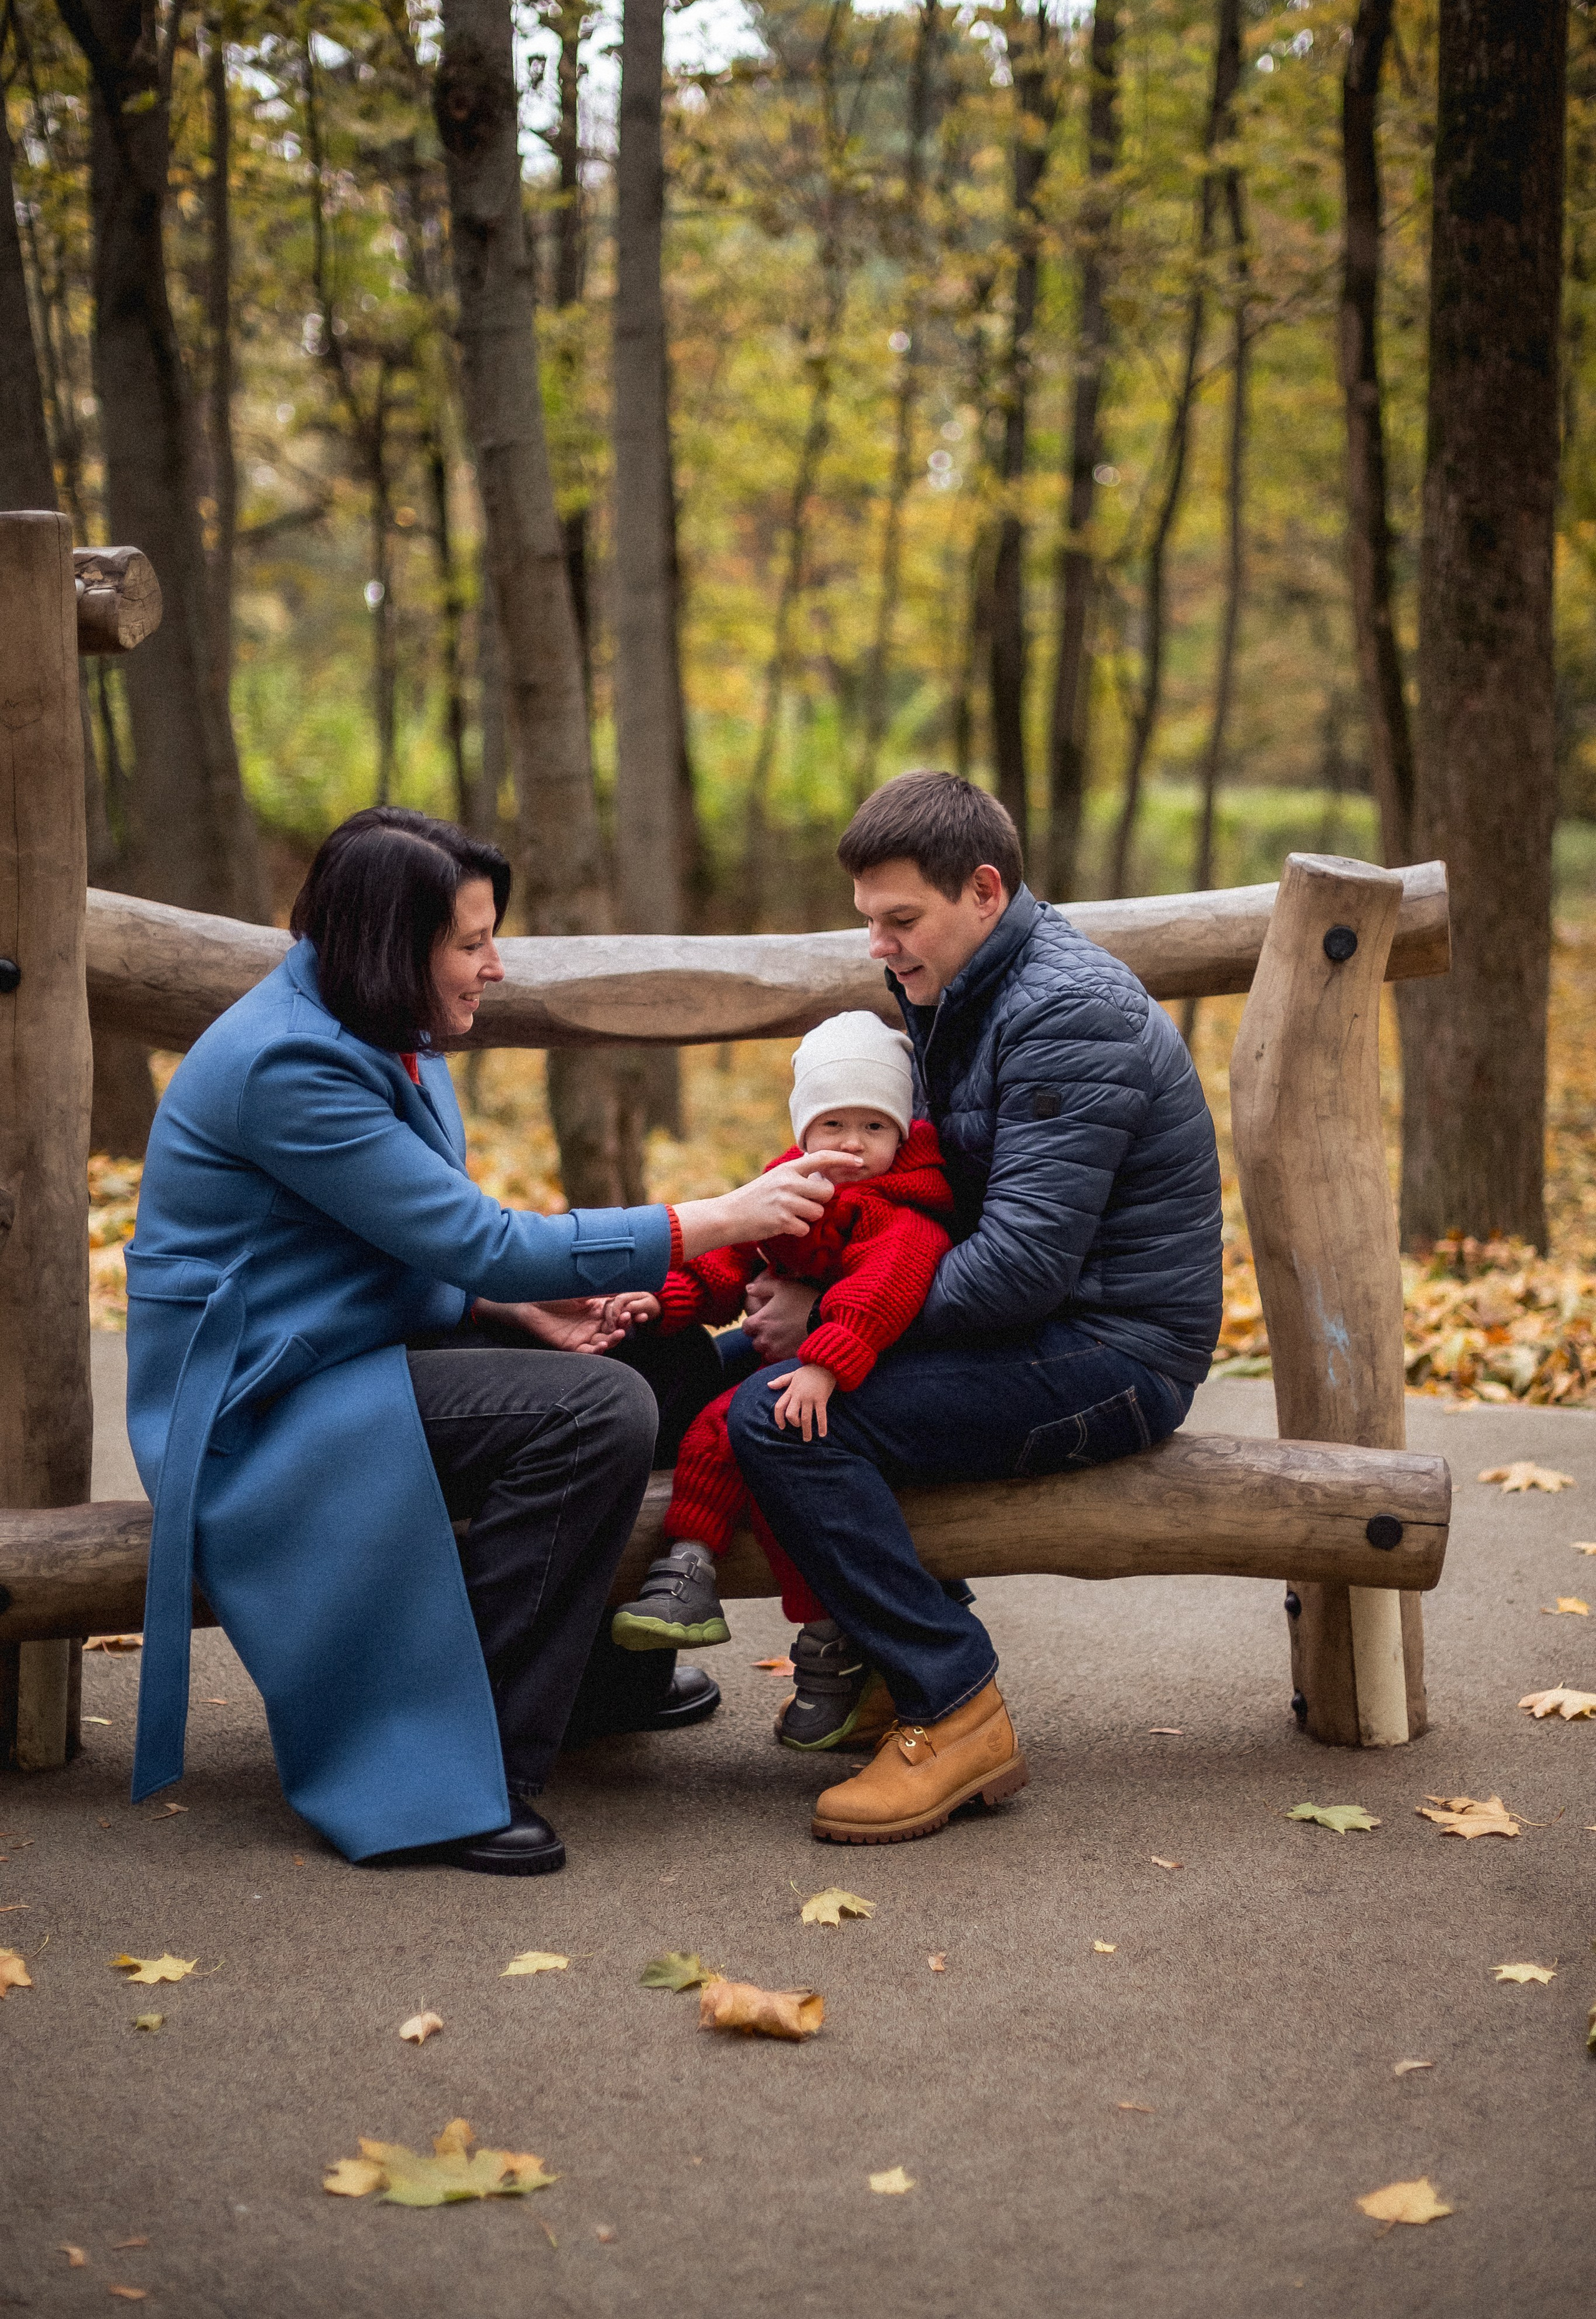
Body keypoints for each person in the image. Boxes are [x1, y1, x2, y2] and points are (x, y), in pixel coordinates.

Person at [125, 808, 857, 1876]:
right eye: (471, 943)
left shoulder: (381, 1027)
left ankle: (590, 1683)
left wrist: (509, 1312)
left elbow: (388, 1240)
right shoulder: (289, 1065)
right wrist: (719, 1218)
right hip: (262, 1400)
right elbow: (479, 1237)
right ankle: (460, 1772)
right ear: (395, 946)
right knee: (595, 1412)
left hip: (348, 1348)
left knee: (633, 1365)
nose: (496, 966)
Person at [724, 771, 1224, 1848]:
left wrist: (825, 1315)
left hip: (1113, 1354)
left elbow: (1017, 1270)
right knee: (729, 1372)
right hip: (1044, 1329)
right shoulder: (969, 989)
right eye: (868, 922)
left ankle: (955, 1708)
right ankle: (877, 1671)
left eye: (901, 920)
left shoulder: (1062, 1012)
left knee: (783, 1412)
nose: (880, 946)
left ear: (985, 892)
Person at [603, 1010, 954, 1752]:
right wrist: (663, 1298)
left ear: (902, 1135)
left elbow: (881, 1294)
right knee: (710, 1426)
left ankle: (824, 1646)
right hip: (791, 1368)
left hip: (854, 1375)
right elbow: (728, 1261)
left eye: (874, 1127)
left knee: (745, 1433)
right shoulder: (788, 1189)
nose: (852, 1145)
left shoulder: (902, 1214)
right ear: (803, 1131)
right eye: (833, 1125)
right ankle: (688, 1566)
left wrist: (824, 1366)